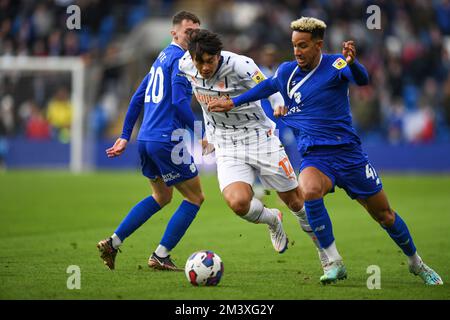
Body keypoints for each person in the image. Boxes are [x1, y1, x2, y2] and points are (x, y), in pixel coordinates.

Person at [208, 17, 443, 285]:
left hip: (349, 155)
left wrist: (353, 63)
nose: (297, 51)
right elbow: (267, 87)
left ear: (318, 45)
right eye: (295, 45)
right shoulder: (287, 71)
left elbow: (362, 80)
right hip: (316, 157)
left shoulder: (336, 65)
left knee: (384, 215)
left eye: (303, 45)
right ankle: (334, 261)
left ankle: (416, 263)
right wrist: (234, 101)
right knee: (307, 190)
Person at [178, 29, 332, 270]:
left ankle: (324, 252)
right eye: (200, 62)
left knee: (295, 202)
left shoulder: (241, 65)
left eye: (210, 61)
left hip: (260, 138)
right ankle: (272, 220)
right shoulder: (185, 64)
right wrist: (208, 132)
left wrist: (280, 105)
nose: (205, 67)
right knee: (238, 203)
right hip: (227, 143)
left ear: (218, 55)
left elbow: (271, 88)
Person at [97, 11, 203, 271]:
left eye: (196, 32)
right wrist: (201, 133)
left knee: (161, 195)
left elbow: (137, 97)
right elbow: (179, 104)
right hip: (167, 139)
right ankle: (161, 255)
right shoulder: (181, 60)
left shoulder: (161, 58)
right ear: (174, 33)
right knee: (195, 197)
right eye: (188, 31)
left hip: (146, 138)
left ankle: (113, 242)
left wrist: (125, 136)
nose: (193, 36)